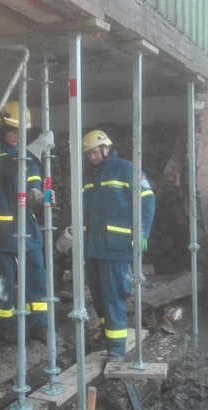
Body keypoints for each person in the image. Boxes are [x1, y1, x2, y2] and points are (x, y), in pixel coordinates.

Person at [0, 101, 54, 343]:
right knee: (2, 280)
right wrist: (34, 148)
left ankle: (40, 325)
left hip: (26, 225)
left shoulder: (22, 152)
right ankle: (8, 325)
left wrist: (35, 191)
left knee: (36, 276)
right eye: (13, 131)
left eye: (22, 133)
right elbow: (8, 167)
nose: (17, 137)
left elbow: (31, 175)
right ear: (1, 128)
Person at [81, 129, 155, 363]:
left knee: (113, 298)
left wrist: (142, 231)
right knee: (100, 299)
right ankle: (108, 338)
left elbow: (147, 200)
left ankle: (116, 350)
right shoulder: (89, 177)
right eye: (88, 154)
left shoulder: (126, 169)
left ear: (107, 149)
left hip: (116, 248)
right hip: (93, 249)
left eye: (95, 152)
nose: (92, 157)